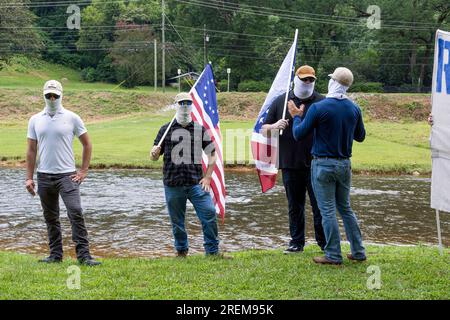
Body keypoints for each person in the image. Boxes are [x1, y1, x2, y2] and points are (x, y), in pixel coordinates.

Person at [288, 67, 366, 265]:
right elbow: (360, 136)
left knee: (328, 210)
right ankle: (358, 252)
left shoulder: (319, 107)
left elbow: (298, 134)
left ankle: (332, 254)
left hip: (323, 164)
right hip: (345, 164)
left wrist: (297, 116)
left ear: (333, 82)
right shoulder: (354, 108)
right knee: (346, 208)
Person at [26, 80, 100, 266]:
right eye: (48, 95)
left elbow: (87, 144)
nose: (52, 98)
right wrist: (29, 177)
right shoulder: (35, 119)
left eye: (55, 95)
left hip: (67, 176)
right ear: (43, 95)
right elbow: (31, 150)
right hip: (43, 176)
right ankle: (55, 255)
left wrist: (83, 170)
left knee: (75, 212)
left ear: (61, 95)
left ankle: (84, 256)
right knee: (50, 217)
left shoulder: (72, 117)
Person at [151, 92, 226, 258]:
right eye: (181, 103)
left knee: (209, 214)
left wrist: (207, 177)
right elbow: (154, 157)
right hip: (173, 183)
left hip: (196, 183)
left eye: (188, 103)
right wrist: (154, 153)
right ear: (176, 105)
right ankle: (181, 251)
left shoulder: (199, 129)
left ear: (192, 105)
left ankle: (212, 252)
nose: (185, 106)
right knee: (177, 222)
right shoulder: (166, 129)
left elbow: (212, 154)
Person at [262, 65, 326, 253]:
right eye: (304, 79)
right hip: (290, 161)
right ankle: (296, 242)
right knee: (295, 205)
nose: (307, 82)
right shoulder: (281, 102)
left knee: (319, 206)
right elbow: (262, 130)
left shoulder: (321, 101)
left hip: (316, 161)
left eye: (311, 80)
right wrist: (274, 125)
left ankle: (323, 242)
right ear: (296, 79)